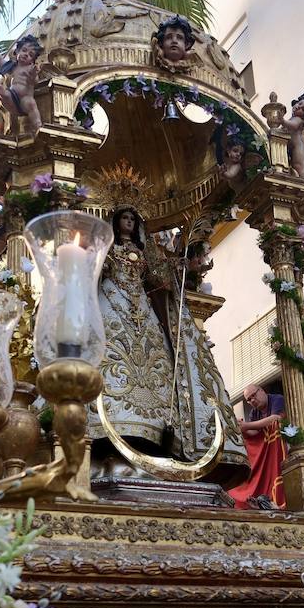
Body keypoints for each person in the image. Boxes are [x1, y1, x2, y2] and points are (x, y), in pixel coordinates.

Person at [90, 205, 248, 485]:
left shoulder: (143, 251)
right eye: (123, 218)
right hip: (110, 304)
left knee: (154, 365)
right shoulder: (107, 247)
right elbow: (95, 273)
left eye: (131, 219)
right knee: (111, 361)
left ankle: (151, 436)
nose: (127, 223)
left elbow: (156, 278)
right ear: (115, 222)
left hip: (140, 310)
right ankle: (105, 433)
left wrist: (176, 268)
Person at [228, 384, 286, 510]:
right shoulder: (255, 412)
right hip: (266, 450)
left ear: (262, 391)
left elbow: (275, 418)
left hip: (279, 446)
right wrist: (241, 428)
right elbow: (254, 433)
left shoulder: (277, 399)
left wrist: (247, 426)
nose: (252, 401)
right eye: (249, 399)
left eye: (253, 396)